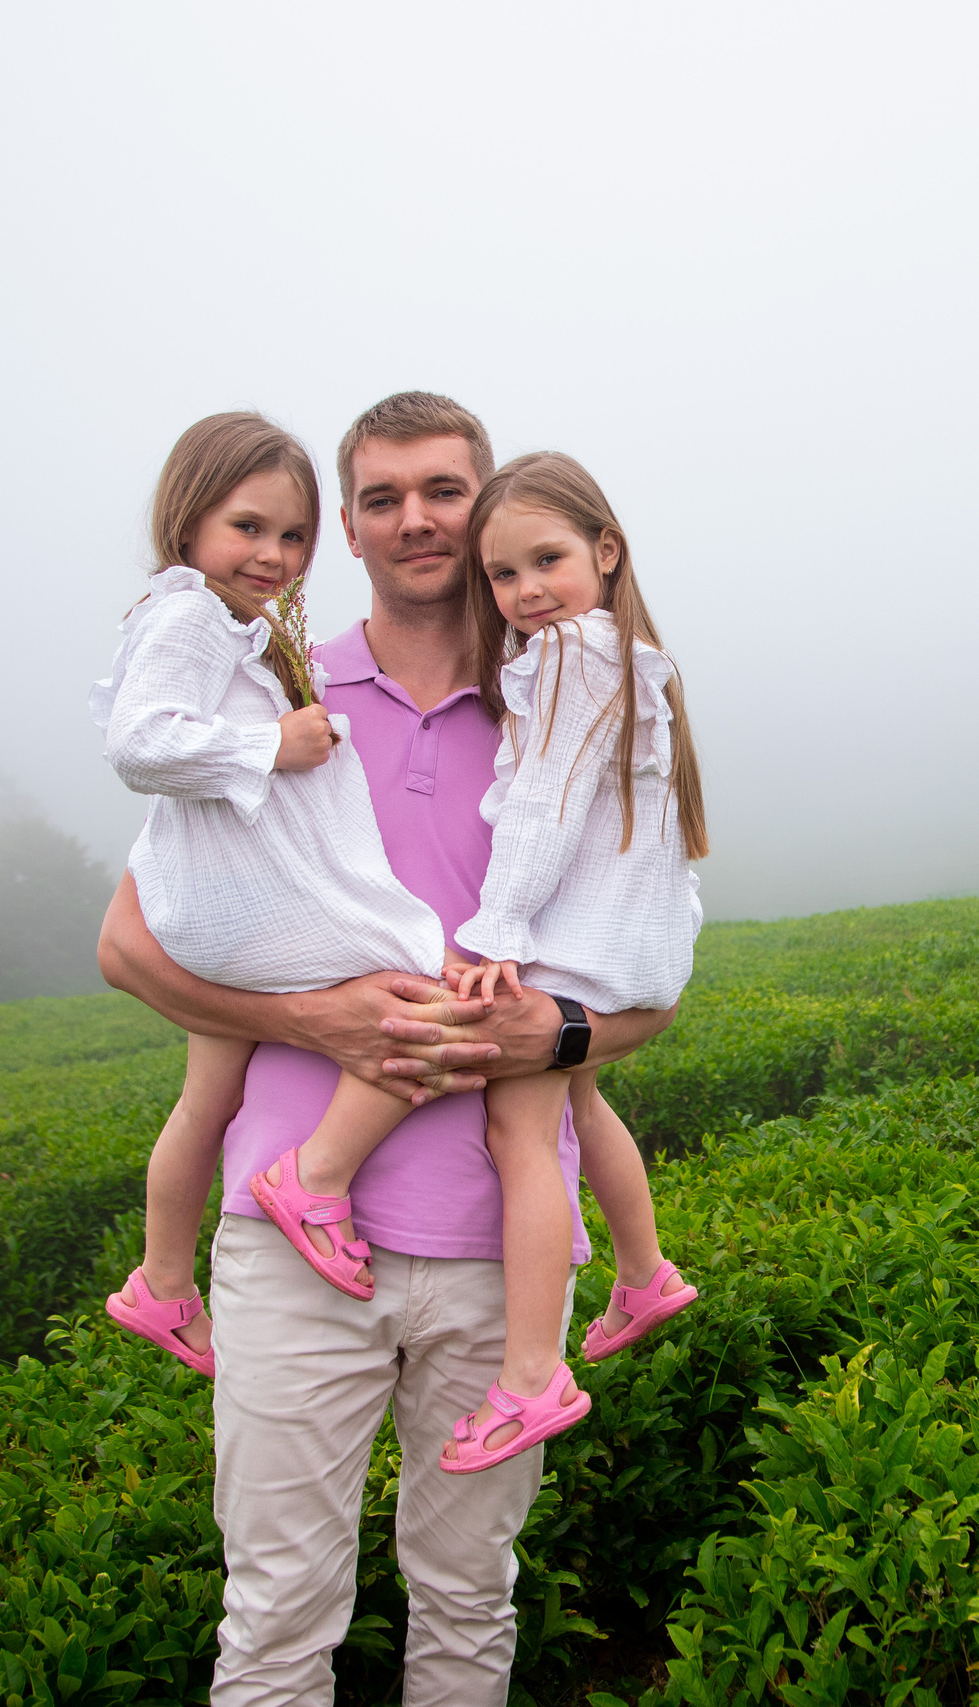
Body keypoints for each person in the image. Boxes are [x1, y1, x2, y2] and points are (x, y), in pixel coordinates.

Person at [97, 393, 678, 1706]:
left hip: (499, 1249)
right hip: (294, 1236)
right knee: (276, 1614)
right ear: (343, 530)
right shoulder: (273, 690)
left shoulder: (567, 690)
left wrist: (559, 1027)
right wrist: (311, 1018)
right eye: (379, 497)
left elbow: (648, 983)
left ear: (489, 509)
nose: (415, 517)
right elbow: (129, 947)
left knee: (472, 1605)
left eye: (444, 490)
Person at [93, 412, 450, 1377]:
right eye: (248, 527)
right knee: (421, 988)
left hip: (217, 907)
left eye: (291, 536)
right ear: (188, 518)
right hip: (232, 910)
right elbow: (139, 743)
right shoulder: (191, 615)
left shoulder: (234, 629)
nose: (273, 554)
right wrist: (274, 744)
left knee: (204, 1096)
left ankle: (162, 1284)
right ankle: (314, 1179)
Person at [434, 452, 707, 1473]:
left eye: (546, 559)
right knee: (581, 1102)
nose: (525, 593)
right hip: (631, 945)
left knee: (521, 1126)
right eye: (502, 577)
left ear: (605, 548)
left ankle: (530, 1375)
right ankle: (642, 1275)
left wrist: (495, 928)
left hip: (576, 943)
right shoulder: (625, 652)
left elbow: (542, 806)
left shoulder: (567, 656)